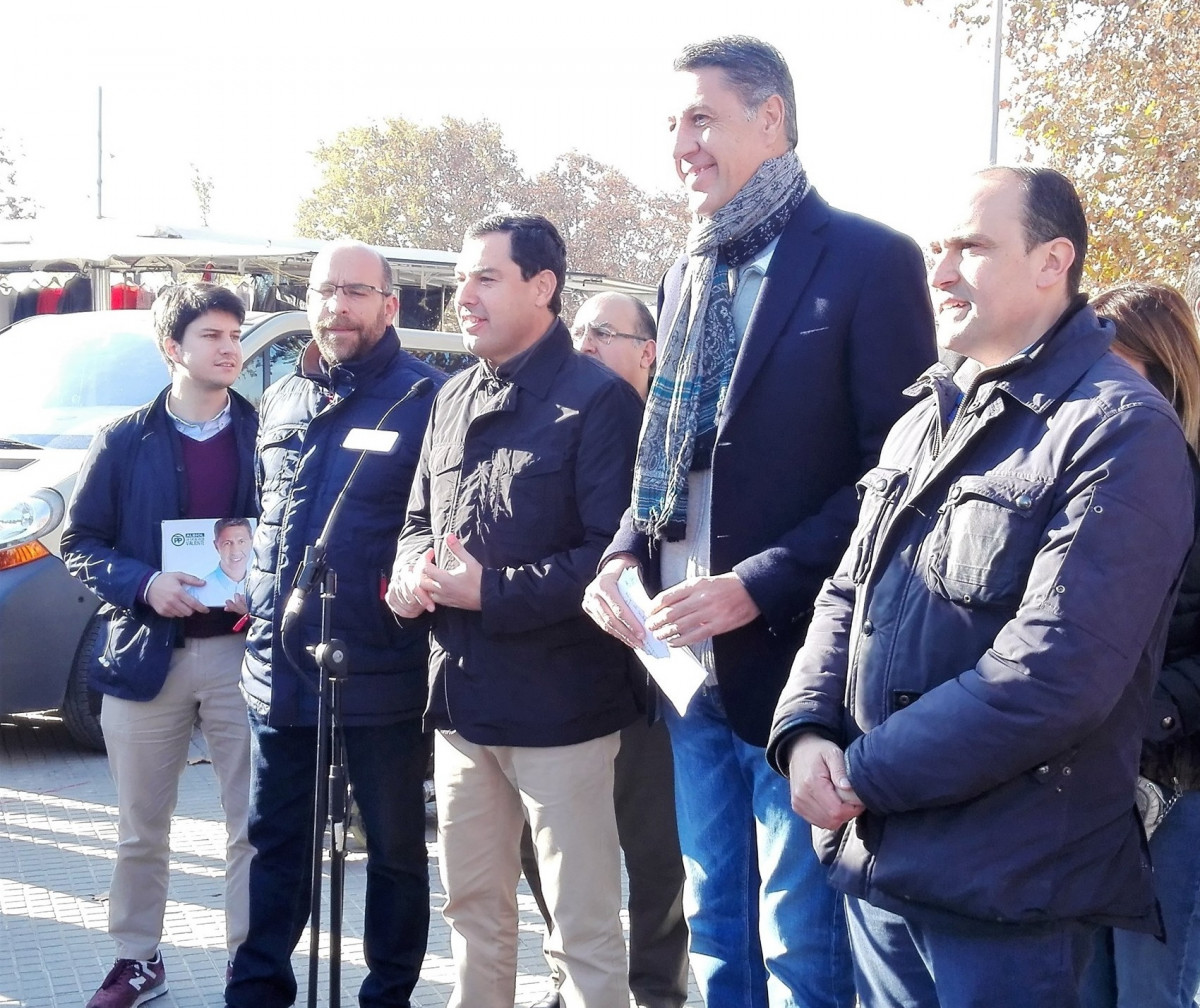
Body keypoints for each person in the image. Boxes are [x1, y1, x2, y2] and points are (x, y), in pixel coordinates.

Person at [768, 168, 1197, 1008]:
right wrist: (805, 729)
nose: (940, 273)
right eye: (937, 249)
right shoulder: (925, 416)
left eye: (971, 247)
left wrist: (861, 774)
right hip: (885, 864)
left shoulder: (1120, 428)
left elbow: (1054, 673)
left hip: (1007, 894)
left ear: (1052, 262)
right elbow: (845, 594)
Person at [582, 35, 935, 1008]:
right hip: (682, 672)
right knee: (717, 929)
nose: (681, 144)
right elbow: (663, 468)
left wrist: (757, 585)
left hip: (795, 670)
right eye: (672, 125)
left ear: (770, 118)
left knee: (799, 950)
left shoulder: (871, 261)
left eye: (701, 118)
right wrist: (617, 558)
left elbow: (896, 481)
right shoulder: (683, 275)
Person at [388, 213, 644, 1008]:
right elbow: (419, 521)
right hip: (462, 702)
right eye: (462, 277)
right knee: (472, 912)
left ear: (543, 287)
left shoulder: (598, 402)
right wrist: (409, 573)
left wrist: (488, 591)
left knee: (582, 928)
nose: (463, 295)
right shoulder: (450, 395)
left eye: (485, 278)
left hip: (562, 708)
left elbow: (613, 556)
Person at [225, 240, 444, 1008]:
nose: (335, 306)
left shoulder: (426, 400)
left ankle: (388, 995)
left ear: (390, 305)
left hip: (379, 670)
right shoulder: (283, 397)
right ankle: (256, 993)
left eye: (355, 291)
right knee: (276, 847)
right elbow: (263, 514)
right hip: (277, 671)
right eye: (324, 290)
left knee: (392, 852)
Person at [62, 282, 257, 1008]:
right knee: (141, 828)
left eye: (234, 334)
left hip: (241, 654)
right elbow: (80, 543)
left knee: (252, 825)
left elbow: (285, 538)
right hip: (147, 655)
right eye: (211, 335)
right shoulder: (122, 440)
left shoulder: (264, 434)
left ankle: (250, 963)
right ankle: (137, 960)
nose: (229, 347)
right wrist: (145, 583)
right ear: (172, 347)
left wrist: (257, 582)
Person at [520, 291, 688, 1008]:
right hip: (560, 677)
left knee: (655, 854)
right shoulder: (554, 422)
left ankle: (654, 991)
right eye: (578, 329)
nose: (583, 342)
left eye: (604, 333)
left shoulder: (676, 438)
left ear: (648, 353)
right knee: (546, 850)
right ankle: (575, 977)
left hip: (648, 682)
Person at [1081, 282, 1200, 1008]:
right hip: (1085, 786)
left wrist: (1149, 716)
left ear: (1167, 372)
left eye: (1114, 367)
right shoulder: (1080, 477)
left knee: (1151, 993)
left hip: (1176, 784)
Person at [187, 517, 252, 609]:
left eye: (241, 542)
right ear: (216, 546)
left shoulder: (263, 588)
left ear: (252, 542)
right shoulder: (196, 594)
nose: (236, 551)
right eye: (227, 543)